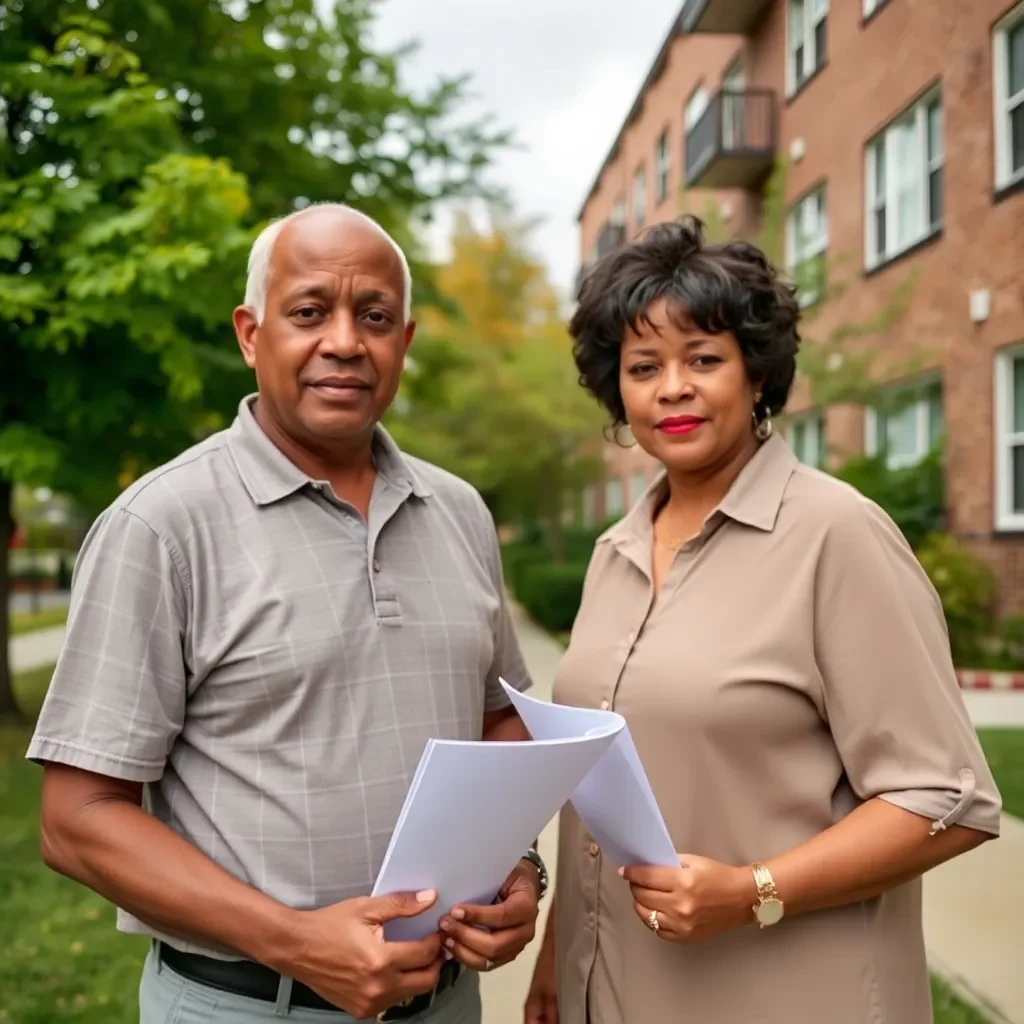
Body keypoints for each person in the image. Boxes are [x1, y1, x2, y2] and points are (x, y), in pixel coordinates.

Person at [28, 203, 547, 1024]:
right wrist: (296, 942)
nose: (344, 340)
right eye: (309, 312)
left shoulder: (460, 512)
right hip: (246, 1007)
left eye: (374, 317)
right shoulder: (160, 527)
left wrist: (518, 868)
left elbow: (503, 723)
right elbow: (77, 821)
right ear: (250, 333)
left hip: (448, 1003)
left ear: (403, 343)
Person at [524, 216, 1001, 1024]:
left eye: (703, 359)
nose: (672, 387)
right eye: (644, 367)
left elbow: (945, 801)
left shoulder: (836, 535)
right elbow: (602, 793)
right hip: (611, 990)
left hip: (788, 995)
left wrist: (753, 893)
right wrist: (559, 954)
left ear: (756, 376)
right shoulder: (615, 550)